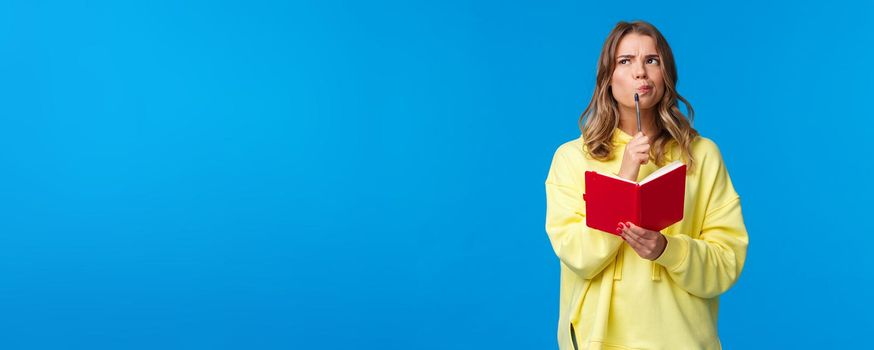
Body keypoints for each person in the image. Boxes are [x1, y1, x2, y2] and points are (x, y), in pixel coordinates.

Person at [544, 20, 749, 350]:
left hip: (682, 340)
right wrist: (624, 177)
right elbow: (577, 254)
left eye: (651, 60)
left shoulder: (702, 155)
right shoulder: (571, 159)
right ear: (607, 77)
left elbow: (726, 262)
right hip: (599, 341)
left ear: (665, 74)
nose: (640, 72)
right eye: (625, 61)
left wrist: (668, 250)